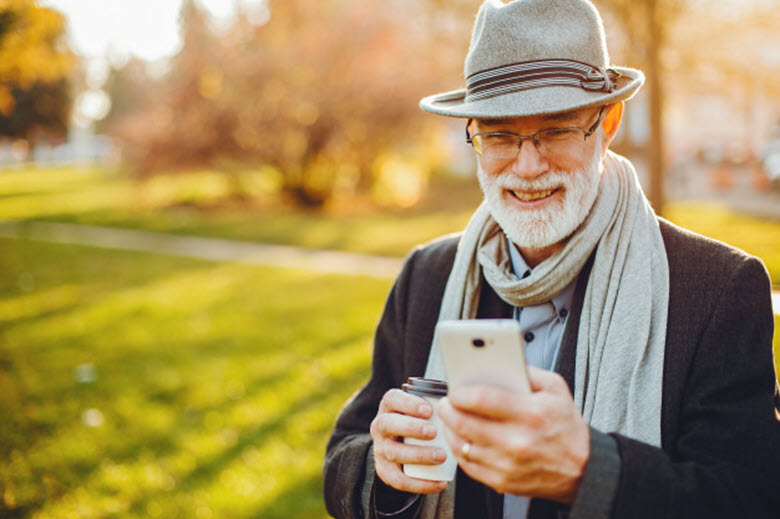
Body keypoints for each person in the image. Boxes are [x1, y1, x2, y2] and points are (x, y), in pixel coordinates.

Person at [323, 0, 780, 517]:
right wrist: (383, 468)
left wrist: (592, 470)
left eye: (556, 129)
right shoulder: (427, 276)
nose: (528, 165)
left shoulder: (717, 289)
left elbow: (752, 496)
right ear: (473, 133)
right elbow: (344, 452)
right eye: (498, 134)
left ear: (608, 124)